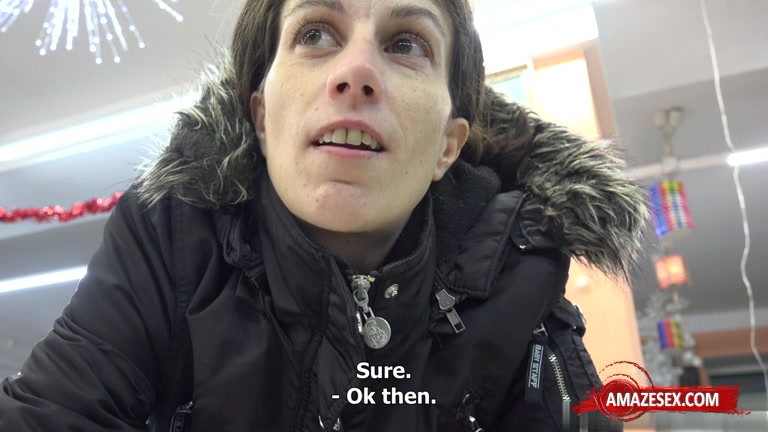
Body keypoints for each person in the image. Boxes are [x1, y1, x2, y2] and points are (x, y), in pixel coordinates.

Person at [0, 0, 648, 430]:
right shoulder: (166, 241)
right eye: (315, 34)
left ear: (447, 148)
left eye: (406, 43)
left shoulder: (522, 281)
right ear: (260, 117)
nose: (356, 71)